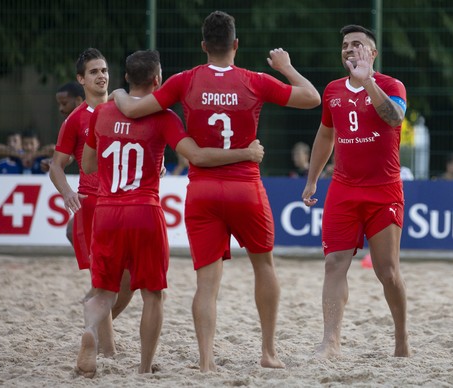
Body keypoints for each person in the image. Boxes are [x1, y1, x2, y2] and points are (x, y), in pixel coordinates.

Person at [110, 10, 320, 372]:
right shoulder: (255, 80)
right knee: (264, 266)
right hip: (246, 188)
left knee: (206, 283)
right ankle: (268, 352)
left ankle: (206, 362)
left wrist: (115, 91)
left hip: (203, 191)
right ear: (236, 44)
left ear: (204, 45)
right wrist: (285, 66)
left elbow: (133, 108)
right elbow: (312, 97)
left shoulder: (184, 81)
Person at [76, 49, 265, 377]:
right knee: (153, 295)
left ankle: (90, 334)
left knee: (103, 291)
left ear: (125, 78)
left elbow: (88, 164)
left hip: (107, 211)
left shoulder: (102, 113)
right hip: (145, 211)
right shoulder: (164, 119)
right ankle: (145, 368)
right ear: (158, 79)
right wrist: (246, 152)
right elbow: (199, 157)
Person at [301, 24, 410, 358]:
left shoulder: (391, 85)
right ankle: (330, 341)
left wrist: (368, 82)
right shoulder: (333, 90)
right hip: (344, 190)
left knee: (387, 271)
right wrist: (312, 179)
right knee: (334, 263)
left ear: (372, 54)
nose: (350, 49)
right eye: (346, 45)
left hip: (384, 190)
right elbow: (324, 136)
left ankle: (401, 339)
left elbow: (393, 119)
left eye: (358, 45)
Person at [49, 48, 133, 358]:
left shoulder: (126, 108)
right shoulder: (75, 119)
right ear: (81, 79)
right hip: (94, 205)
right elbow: (56, 165)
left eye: (104, 70)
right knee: (106, 283)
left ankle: (92, 325)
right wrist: (67, 193)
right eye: (94, 71)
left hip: (127, 202)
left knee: (130, 282)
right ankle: (107, 351)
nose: (101, 75)